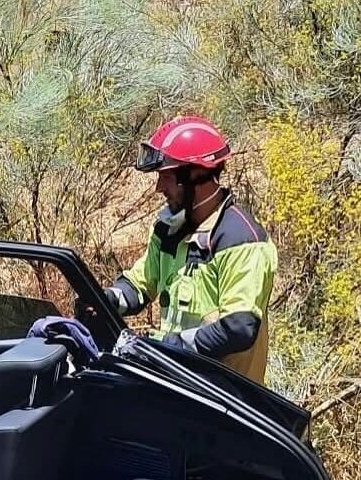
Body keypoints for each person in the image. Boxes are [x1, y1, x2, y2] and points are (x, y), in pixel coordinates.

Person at [105, 116, 277, 385]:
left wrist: (171, 348)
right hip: (175, 386)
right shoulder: (170, 230)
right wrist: (107, 300)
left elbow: (238, 327)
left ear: (196, 176)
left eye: (167, 177)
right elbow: (140, 285)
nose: (159, 187)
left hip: (221, 398)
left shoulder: (241, 240)